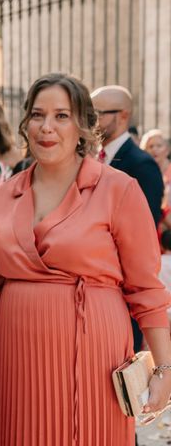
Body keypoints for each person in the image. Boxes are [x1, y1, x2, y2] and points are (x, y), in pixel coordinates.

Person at [0, 72, 171, 445]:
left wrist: (165, 368)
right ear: (25, 123)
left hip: (93, 359)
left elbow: (146, 289)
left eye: (61, 116)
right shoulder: (6, 196)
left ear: (84, 125)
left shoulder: (118, 189)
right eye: (38, 115)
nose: (46, 127)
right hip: (17, 359)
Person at [92, 85, 165, 352]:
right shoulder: (91, 160)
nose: (92, 120)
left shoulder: (141, 164)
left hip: (123, 290)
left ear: (123, 115)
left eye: (98, 113)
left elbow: (143, 234)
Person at [140, 129, 171, 205]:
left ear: (167, 149)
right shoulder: (141, 172)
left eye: (159, 146)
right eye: (150, 146)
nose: (154, 149)